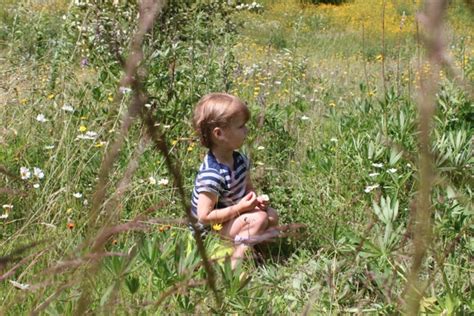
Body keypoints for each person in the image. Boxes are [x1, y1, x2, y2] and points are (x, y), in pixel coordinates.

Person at [191, 92, 279, 268]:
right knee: (259, 220)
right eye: (241, 127)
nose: (246, 130)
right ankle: (234, 265)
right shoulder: (212, 174)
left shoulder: (239, 159)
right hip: (209, 232)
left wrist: (254, 201)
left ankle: (256, 255)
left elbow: (248, 189)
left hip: (230, 219)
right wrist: (240, 208)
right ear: (219, 134)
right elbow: (204, 216)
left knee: (271, 215)